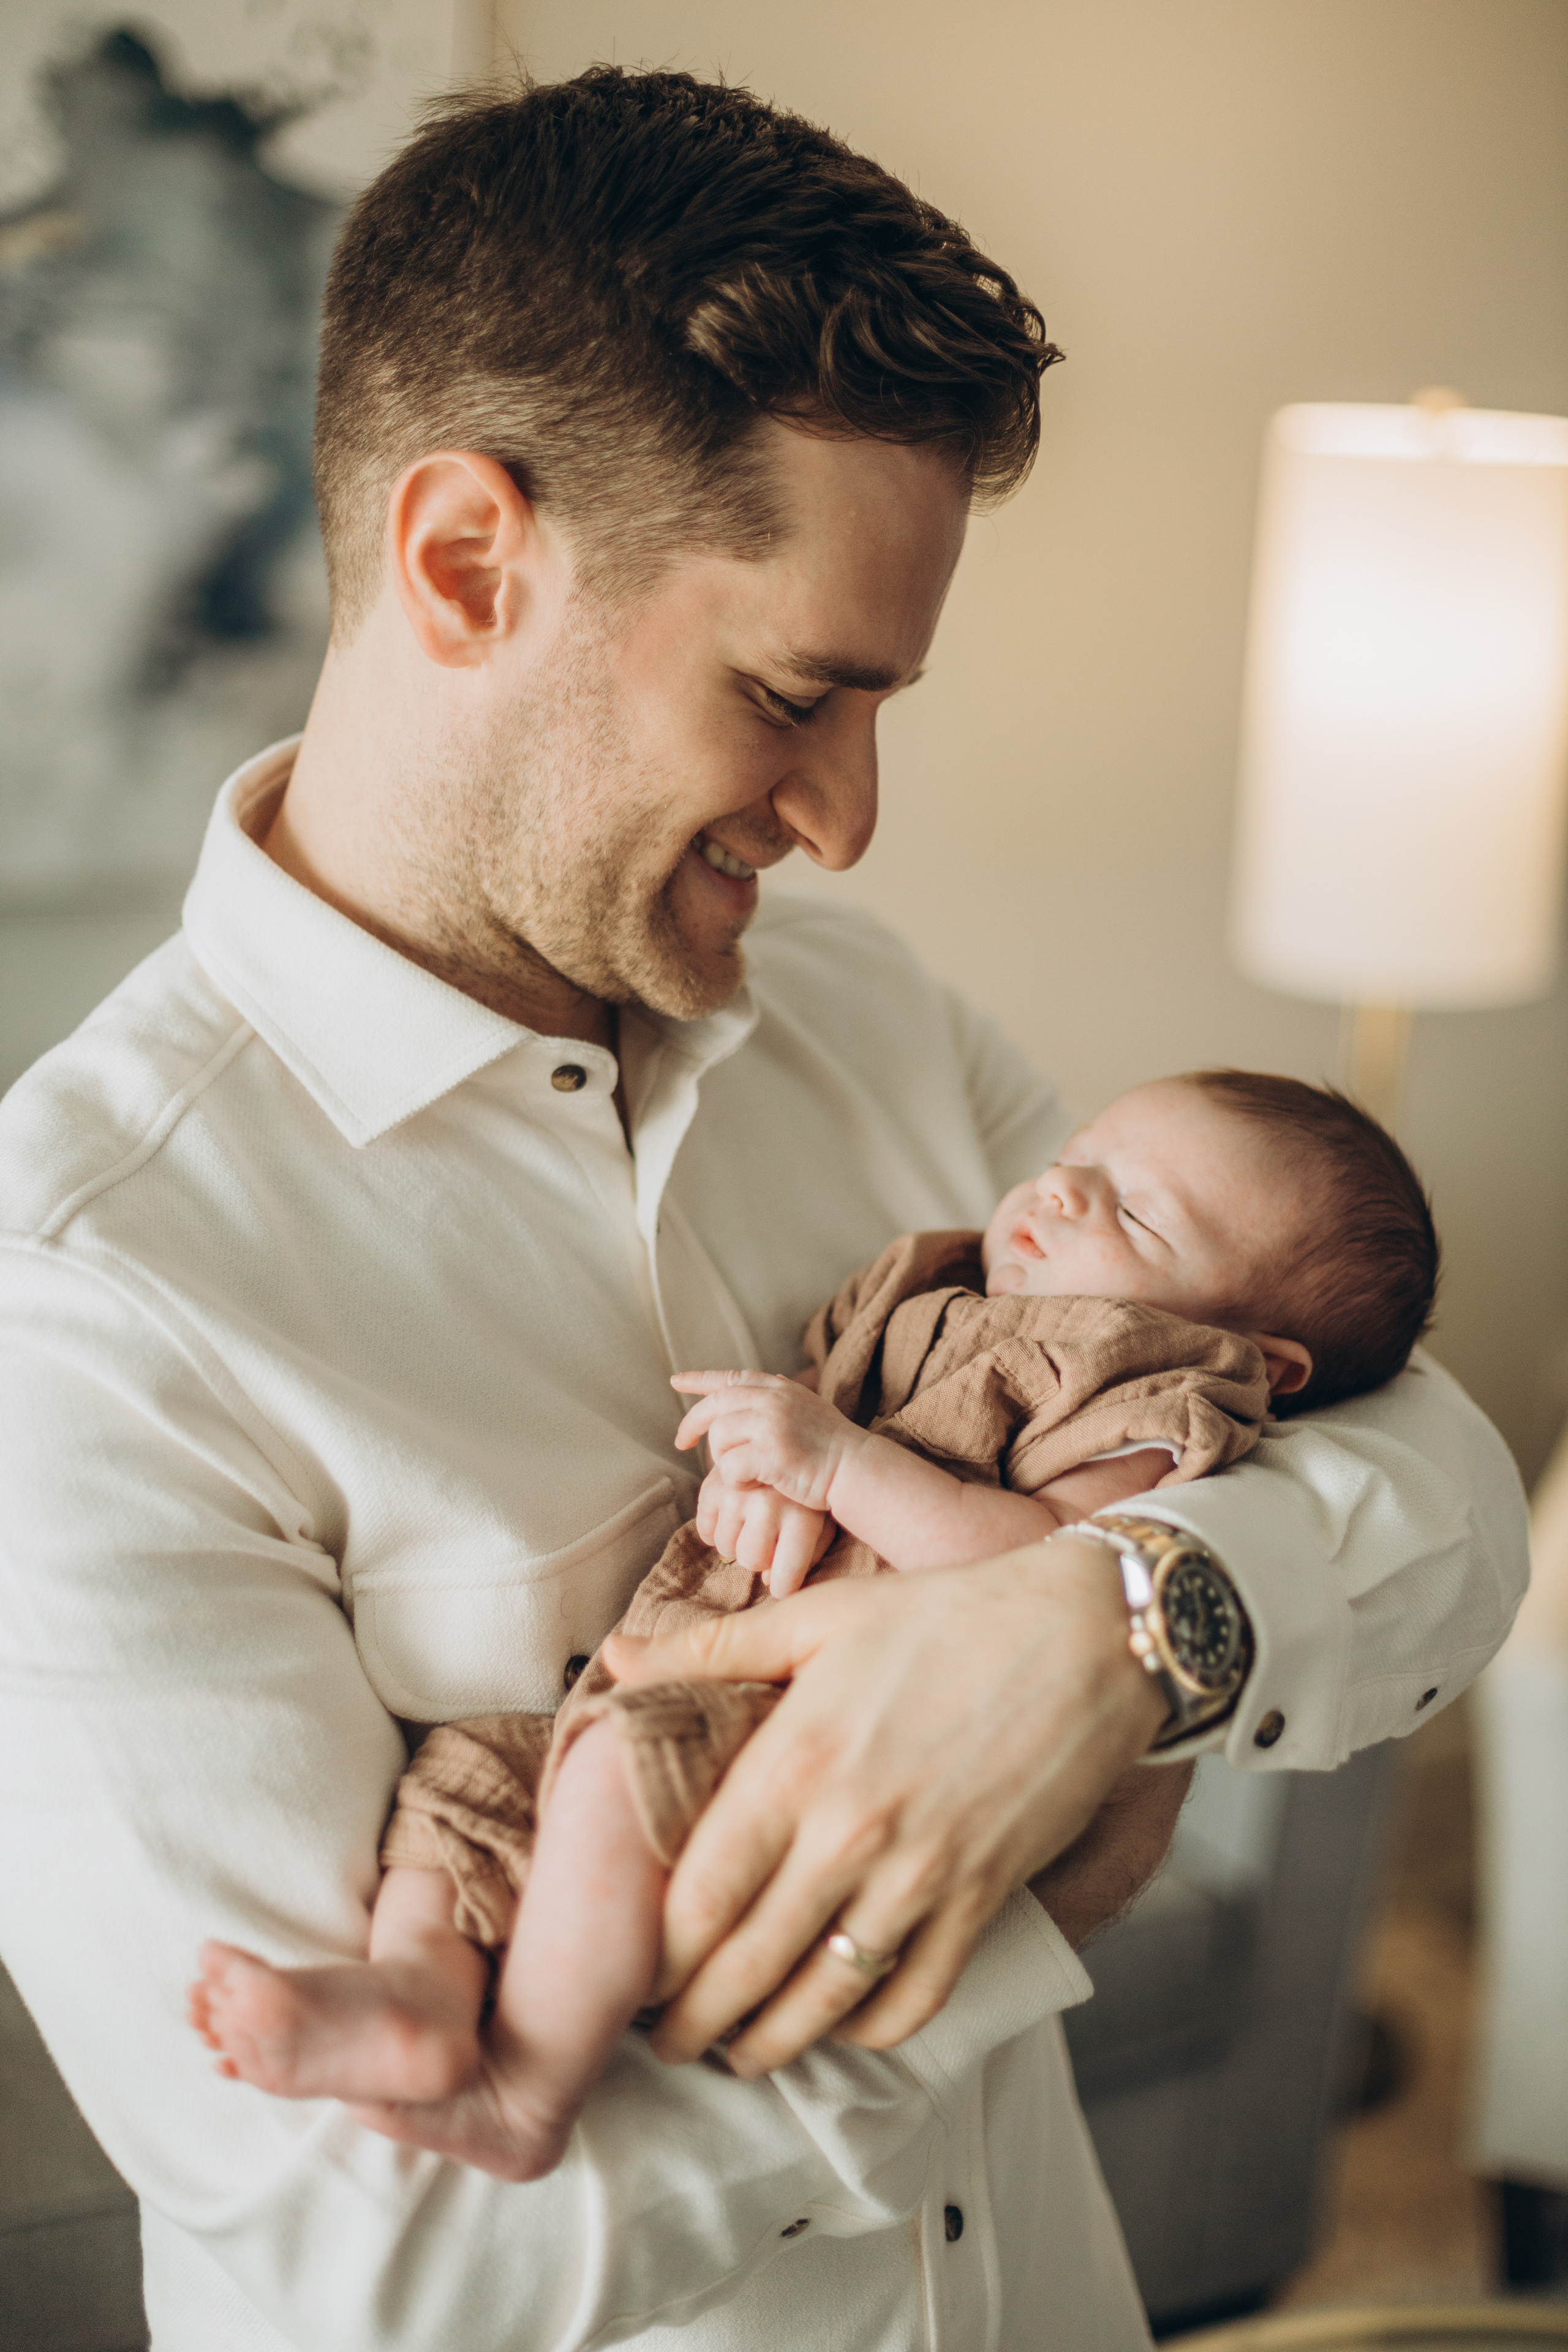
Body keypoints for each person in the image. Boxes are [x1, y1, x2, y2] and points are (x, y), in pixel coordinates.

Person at [0, 66, 1527, 2352]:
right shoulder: (89, 1296)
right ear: (464, 562)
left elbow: (1442, 1491)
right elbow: (385, 2255)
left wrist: (1125, 1627)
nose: (850, 822)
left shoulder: (858, 1015)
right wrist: (1015, 1866)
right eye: (799, 693)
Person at [187, 1068, 1439, 2182]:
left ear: (1264, 1360)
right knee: (467, 1774)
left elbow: (1053, 1573)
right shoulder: (923, 1285)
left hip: (827, 1734)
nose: (1058, 1195)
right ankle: (416, 1993)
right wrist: (759, 1469)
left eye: (1133, 1211)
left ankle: (527, 2083)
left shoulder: (1147, 1385)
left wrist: (838, 1471)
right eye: (1077, 1159)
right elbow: (813, 1409)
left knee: (624, 1769)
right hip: (681, 1659)